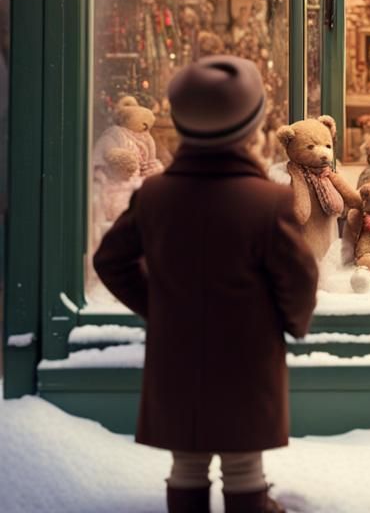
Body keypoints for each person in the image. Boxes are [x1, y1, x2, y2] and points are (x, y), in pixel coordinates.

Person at [94, 56, 319, 513]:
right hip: (247, 352)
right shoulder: (268, 200)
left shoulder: (154, 195)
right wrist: (291, 320)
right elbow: (298, 276)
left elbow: (110, 260)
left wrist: (158, 305)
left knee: (187, 463)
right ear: (251, 125)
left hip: (176, 349)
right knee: (243, 465)